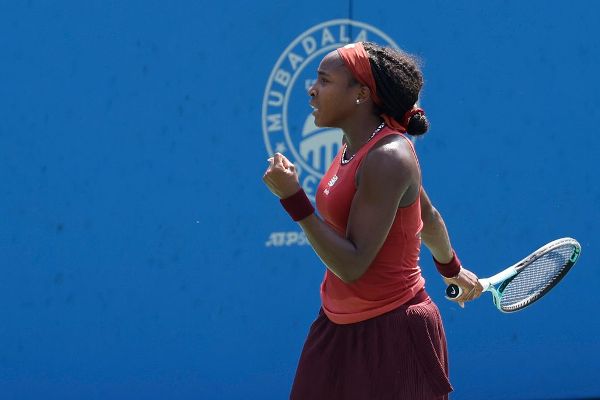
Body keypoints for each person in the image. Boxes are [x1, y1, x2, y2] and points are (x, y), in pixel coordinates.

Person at [263, 41, 483, 400]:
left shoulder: (389, 156)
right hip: (335, 326)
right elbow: (426, 216)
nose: (312, 89)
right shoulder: (356, 146)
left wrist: (293, 198)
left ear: (360, 94)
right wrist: (451, 267)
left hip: (393, 334)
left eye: (324, 80)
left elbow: (353, 264)